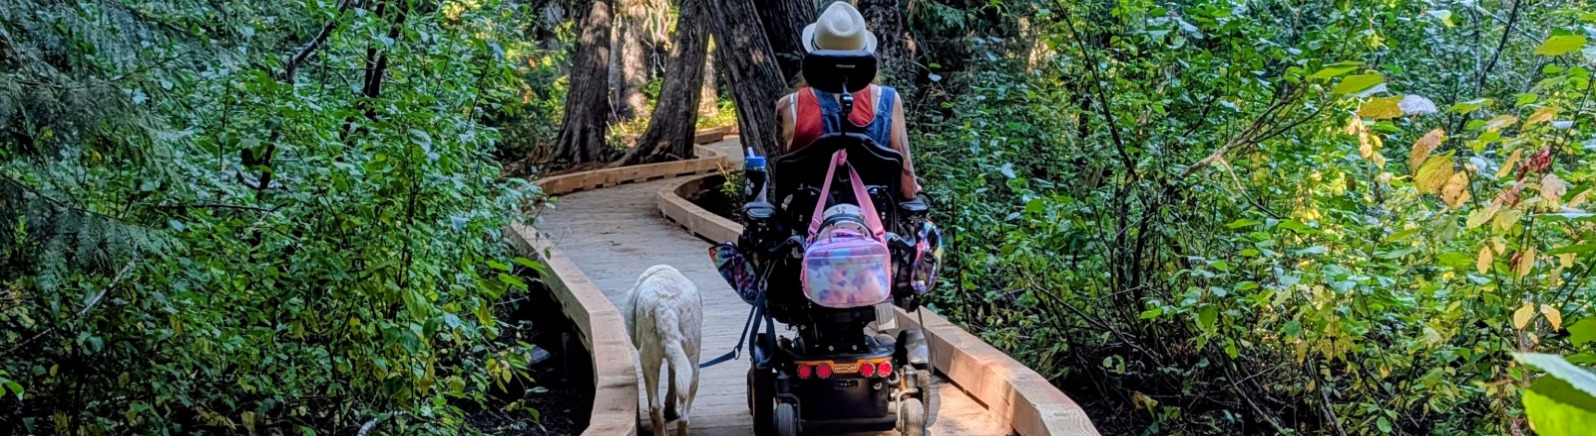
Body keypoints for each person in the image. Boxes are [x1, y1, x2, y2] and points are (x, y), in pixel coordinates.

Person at [777, 2, 920, 200]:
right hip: (874, 226)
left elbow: (787, 183)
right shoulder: (888, 101)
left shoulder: (788, 106)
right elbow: (908, 188)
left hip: (811, 226)